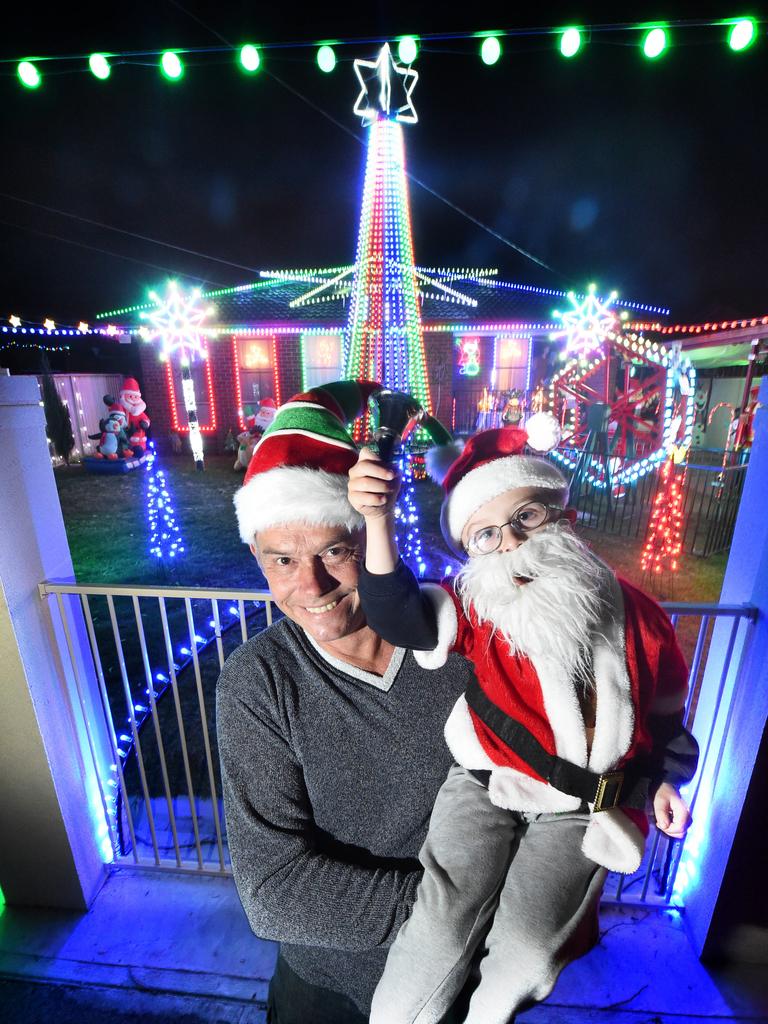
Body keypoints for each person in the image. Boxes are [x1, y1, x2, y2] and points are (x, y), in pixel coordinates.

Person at [347, 414, 699, 1024]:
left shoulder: (639, 616)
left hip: (575, 806)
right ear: (470, 550)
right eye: (484, 534)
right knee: (439, 926)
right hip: (484, 785)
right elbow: (398, 617)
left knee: (530, 953)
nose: (509, 542)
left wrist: (663, 780)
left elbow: (667, 716)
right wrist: (377, 521)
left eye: (526, 517)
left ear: (559, 514)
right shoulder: (478, 604)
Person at [216, 380, 477, 1024]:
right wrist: (472, 909)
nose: (311, 586)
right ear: (256, 556)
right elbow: (274, 891)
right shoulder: (259, 683)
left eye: (335, 551)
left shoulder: (462, 639)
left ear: (374, 541)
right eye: (281, 560)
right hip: (324, 989)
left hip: (463, 986)